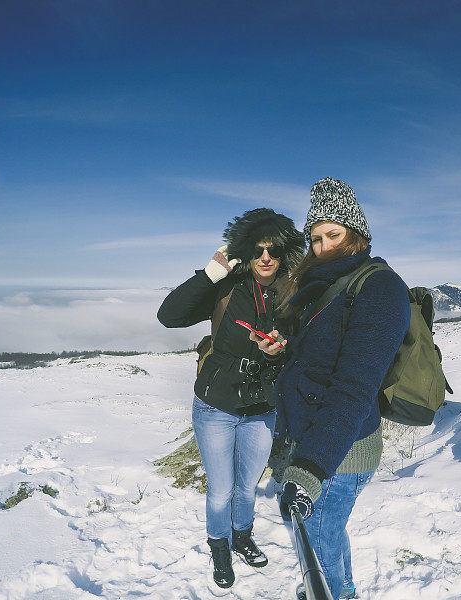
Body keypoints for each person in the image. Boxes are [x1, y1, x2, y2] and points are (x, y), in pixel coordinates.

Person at [256, 178, 410, 600]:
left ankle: (335, 593)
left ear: (355, 233)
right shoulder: (322, 286)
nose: (322, 247)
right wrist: (280, 352)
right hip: (315, 442)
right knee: (327, 531)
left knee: (318, 540)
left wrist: (309, 468)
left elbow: (355, 387)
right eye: (315, 238)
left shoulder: (379, 288)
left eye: (333, 235)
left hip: (338, 453)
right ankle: (344, 589)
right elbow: (319, 360)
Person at [157, 208, 304, 589]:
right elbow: (168, 316)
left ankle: (242, 535)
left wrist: (282, 349)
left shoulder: (292, 294)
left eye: (273, 249)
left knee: (248, 483)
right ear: (244, 252)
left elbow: (302, 346)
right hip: (216, 405)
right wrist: (209, 275)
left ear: (285, 251)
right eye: (256, 250)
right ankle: (219, 545)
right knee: (221, 488)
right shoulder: (224, 286)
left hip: (261, 406)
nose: (265, 257)